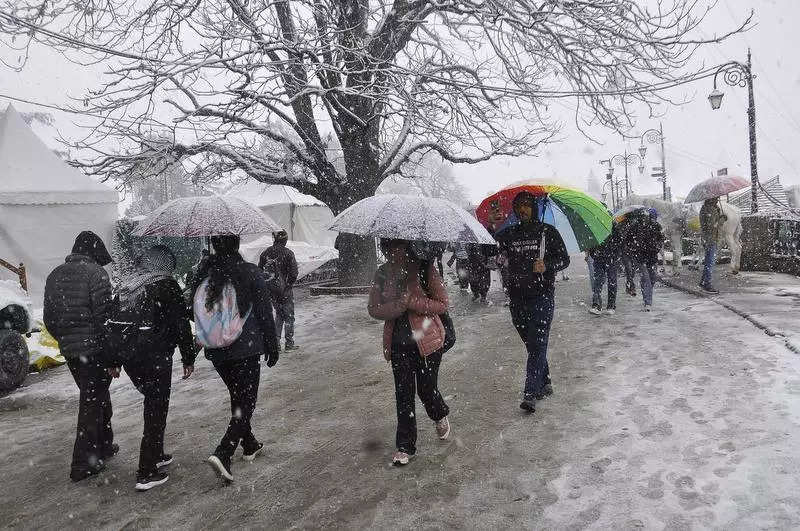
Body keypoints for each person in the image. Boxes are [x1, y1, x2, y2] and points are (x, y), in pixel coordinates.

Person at [193, 235, 280, 482]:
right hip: (246, 348)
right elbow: (264, 311)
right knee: (246, 401)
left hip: (216, 351)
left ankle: (249, 444)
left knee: (238, 397)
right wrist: (272, 346)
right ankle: (224, 451)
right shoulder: (249, 273)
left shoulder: (204, 274)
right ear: (237, 245)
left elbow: (196, 311)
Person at [116, 245, 197, 491]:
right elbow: (182, 323)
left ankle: (158, 453)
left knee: (152, 401)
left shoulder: (127, 286)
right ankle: (146, 470)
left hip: (131, 358)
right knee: (156, 407)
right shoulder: (166, 285)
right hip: (156, 356)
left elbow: (113, 325)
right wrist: (188, 357)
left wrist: (113, 360)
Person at [368, 239, 451, 467]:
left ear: (408, 246)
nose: (394, 252)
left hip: (428, 343)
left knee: (426, 389)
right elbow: (373, 308)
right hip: (398, 345)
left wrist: (413, 301)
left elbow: (442, 304)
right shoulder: (382, 274)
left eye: (399, 246)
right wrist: (397, 306)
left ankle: (439, 412)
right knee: (404, 395)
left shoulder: (424, 268)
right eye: (389, 247)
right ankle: (405, 446)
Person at [43, 231, 117, 482]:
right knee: (91, 402)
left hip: (72, 351)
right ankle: (82, 463)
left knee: (95, 395)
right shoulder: (97, 274)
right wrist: (110, 354)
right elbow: (104, 318)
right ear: (95, 252)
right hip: (93, 349)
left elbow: (49, 319)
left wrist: (66, 339)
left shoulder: (54, 275)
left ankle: (105, 445)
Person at [495, 192, 570, 413]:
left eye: (527, 205)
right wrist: (492, 224)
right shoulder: (509, 234)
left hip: (542, 296)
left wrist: (546, 265)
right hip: (517, 298)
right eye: (519, 206)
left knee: (537, 343)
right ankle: (545, 382)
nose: (523, 209)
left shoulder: (548, 232)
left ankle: (530, 392)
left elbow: (563, 260)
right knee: (532, 344)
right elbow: (491, 250)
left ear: (535, 208)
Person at [259, 229, 299, 350]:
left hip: (271, 290)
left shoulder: (265, 253)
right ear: (285, 240)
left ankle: (276, 344)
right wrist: (288, 285)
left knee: (279, 315)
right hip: (285, 289)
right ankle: (289, 343)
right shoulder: (288, 253)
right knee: (289, 316)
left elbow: (259, 271)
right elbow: (293, 273)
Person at [623, 209, 663, 311]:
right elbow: (627, 240)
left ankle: (645, 290)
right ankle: (647, 302)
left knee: (652, 277)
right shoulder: (635, 227)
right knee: (647, 278)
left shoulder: (656, 227)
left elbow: (661, 239)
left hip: (652, 256)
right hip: (641, 257)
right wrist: (634, 248)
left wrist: (657, 246)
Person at [588, 222, 622, 315]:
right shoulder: (594, 226)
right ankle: (596, 305)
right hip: (599, 258)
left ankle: (611, 305)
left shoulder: (614, 226)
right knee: (598, 281)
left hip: (611, 258)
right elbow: (591, 242)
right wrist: (594, 254)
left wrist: (614, 255)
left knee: (611, 281)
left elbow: (619, 242)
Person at [699, 198, 725, 293]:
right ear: (711, 200)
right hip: (710, 239)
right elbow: (712, 226)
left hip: (708, 238)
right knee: (709, 262)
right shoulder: (709, 210)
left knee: (708, 261)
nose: (717, 200)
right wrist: (721, 220)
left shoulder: (707, 208)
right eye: (716, 199)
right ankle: (707, 285)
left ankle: (702, 282)